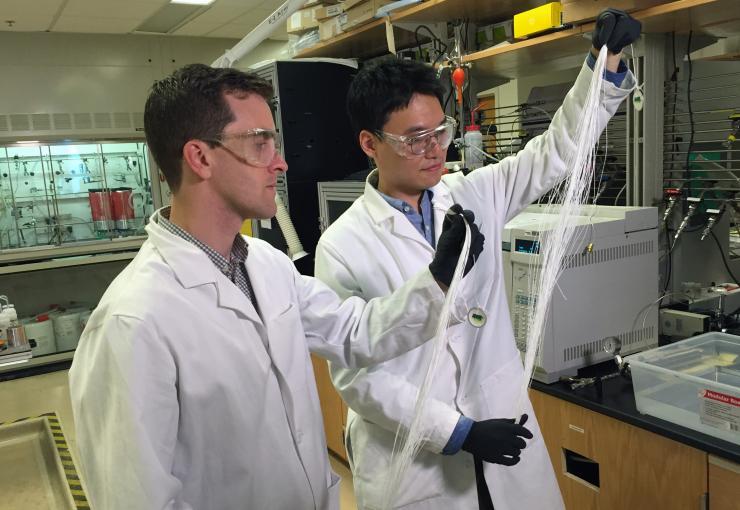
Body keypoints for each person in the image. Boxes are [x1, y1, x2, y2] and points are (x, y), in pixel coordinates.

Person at [68, 63, 484, 510]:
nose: (280, 162)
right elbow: (135, 499)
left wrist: (437, 281)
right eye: (260, 143)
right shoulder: (133, 321)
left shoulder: (266, 264)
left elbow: (353, 332)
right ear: (200, 157)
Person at [314, 9, 641, 510]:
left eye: (439, 132)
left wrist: (603, 64)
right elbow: (358, 376)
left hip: (503, 428)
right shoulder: (343, 244)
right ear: (370, 144)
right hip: (417, 461)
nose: (434, 150)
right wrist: (457, 431)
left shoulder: (471, 193)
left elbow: (555, 153)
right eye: (414, 139)